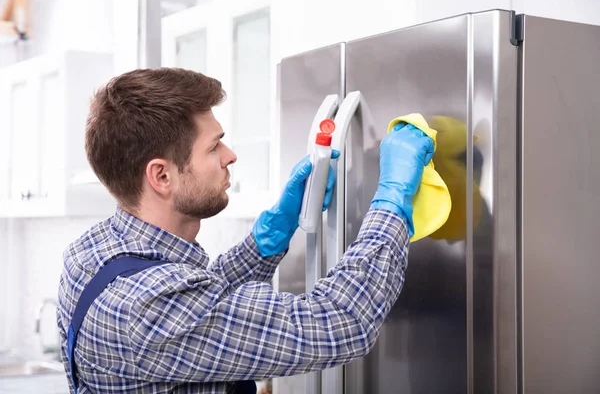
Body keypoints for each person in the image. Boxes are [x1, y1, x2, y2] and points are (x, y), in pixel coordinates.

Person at [56, 68, 434, 394]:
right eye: (214, 146)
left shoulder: (91, 252)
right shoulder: (146, 307)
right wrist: (392, 199)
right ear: (162, 176)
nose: (230, 155)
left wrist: (267, 240)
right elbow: (340, 320)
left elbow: (199, 308)